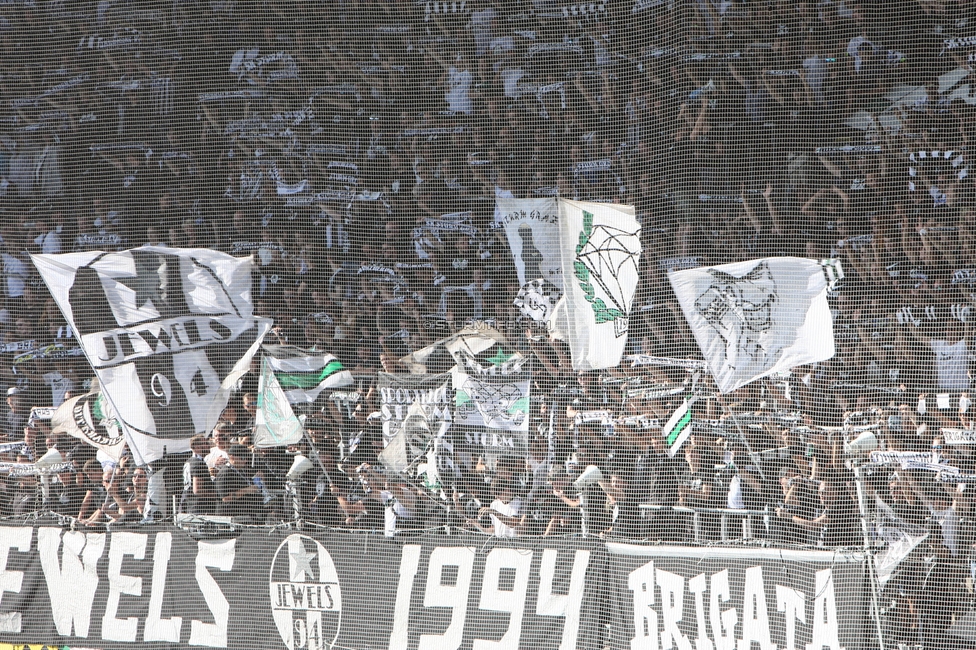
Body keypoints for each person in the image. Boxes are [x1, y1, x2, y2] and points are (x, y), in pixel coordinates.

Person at [215, 444, 263, 522]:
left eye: (247, 458)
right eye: (242, 458)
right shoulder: (225, 473)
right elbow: (225, 498)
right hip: (230, 518)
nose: (245, 461)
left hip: (244, 515)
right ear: (232, 457)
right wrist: (245, 491)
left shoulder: (240, 470)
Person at [181, 435, 217, 515]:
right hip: (199, 508)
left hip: (188, 504)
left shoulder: (189, 461)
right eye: (205, 443)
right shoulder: (198, 463)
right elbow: (197, 490)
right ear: (197, 448)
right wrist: (218, 495)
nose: (209, 445)